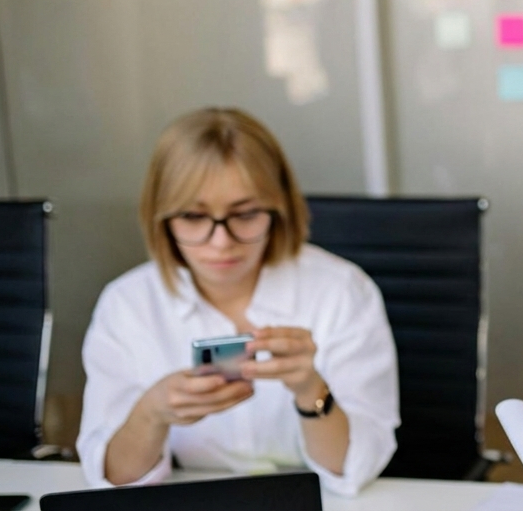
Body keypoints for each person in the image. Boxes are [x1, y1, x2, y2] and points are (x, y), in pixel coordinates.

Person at [76, 108, 398, 497]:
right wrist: (151, 414)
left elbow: (352, 471)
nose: (221, 242)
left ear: (279, 210)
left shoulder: (342, 290)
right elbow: (111, 480)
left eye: (244, 214)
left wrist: (309, 388)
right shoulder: (126, 304)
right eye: (194, 216)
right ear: (161, 218)